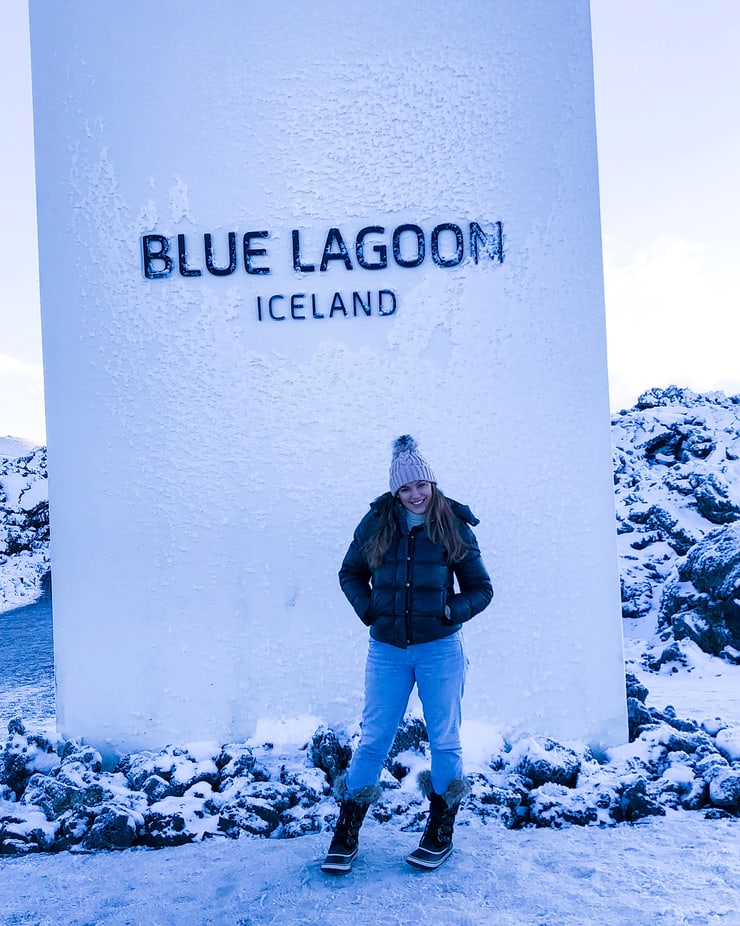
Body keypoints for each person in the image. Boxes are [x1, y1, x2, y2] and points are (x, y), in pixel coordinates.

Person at [321, 435, 493, 874]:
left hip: (440, 650)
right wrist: (369, 609)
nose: (415, 494)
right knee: (374, 739)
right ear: (395, 492)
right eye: (405, 488)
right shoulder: (376, 524)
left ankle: (440, 831)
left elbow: (481, 589)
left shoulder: (453, 525)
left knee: (445, 738)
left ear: (431, 483)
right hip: (387, 651)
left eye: (421, 484)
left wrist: (450, 609)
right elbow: (350, 573)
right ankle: (346, 832)